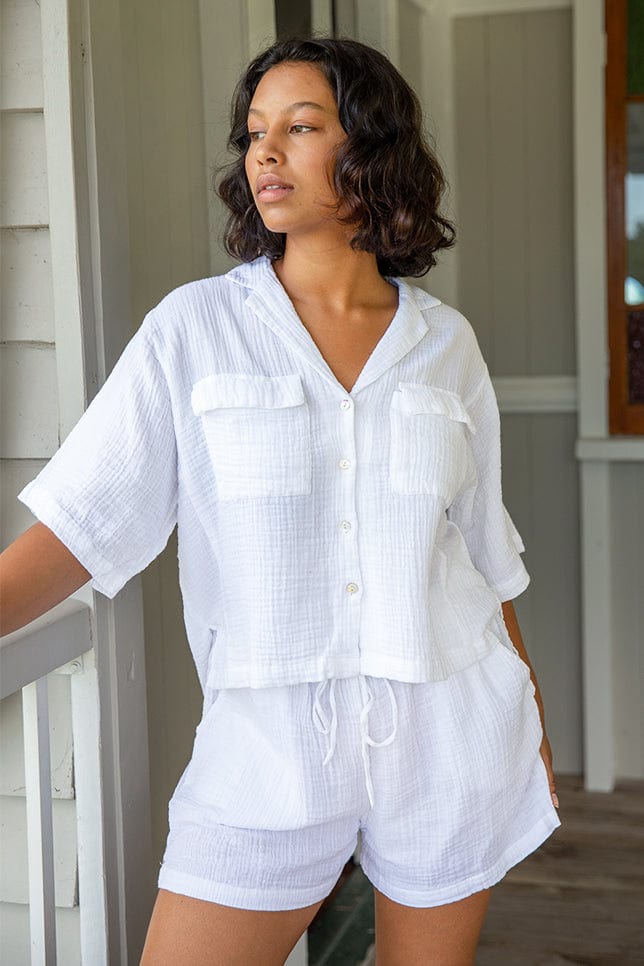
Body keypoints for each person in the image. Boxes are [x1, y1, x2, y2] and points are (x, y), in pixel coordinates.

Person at [0, 36, 561, 966]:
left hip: (447, 734)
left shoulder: (445, 345)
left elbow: (482, 551)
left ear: (371, 153)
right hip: (263, 757)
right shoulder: (195, 331)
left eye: (301, 127)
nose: (265, 152)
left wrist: (529, 713)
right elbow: (81, 522)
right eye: (255, 133)